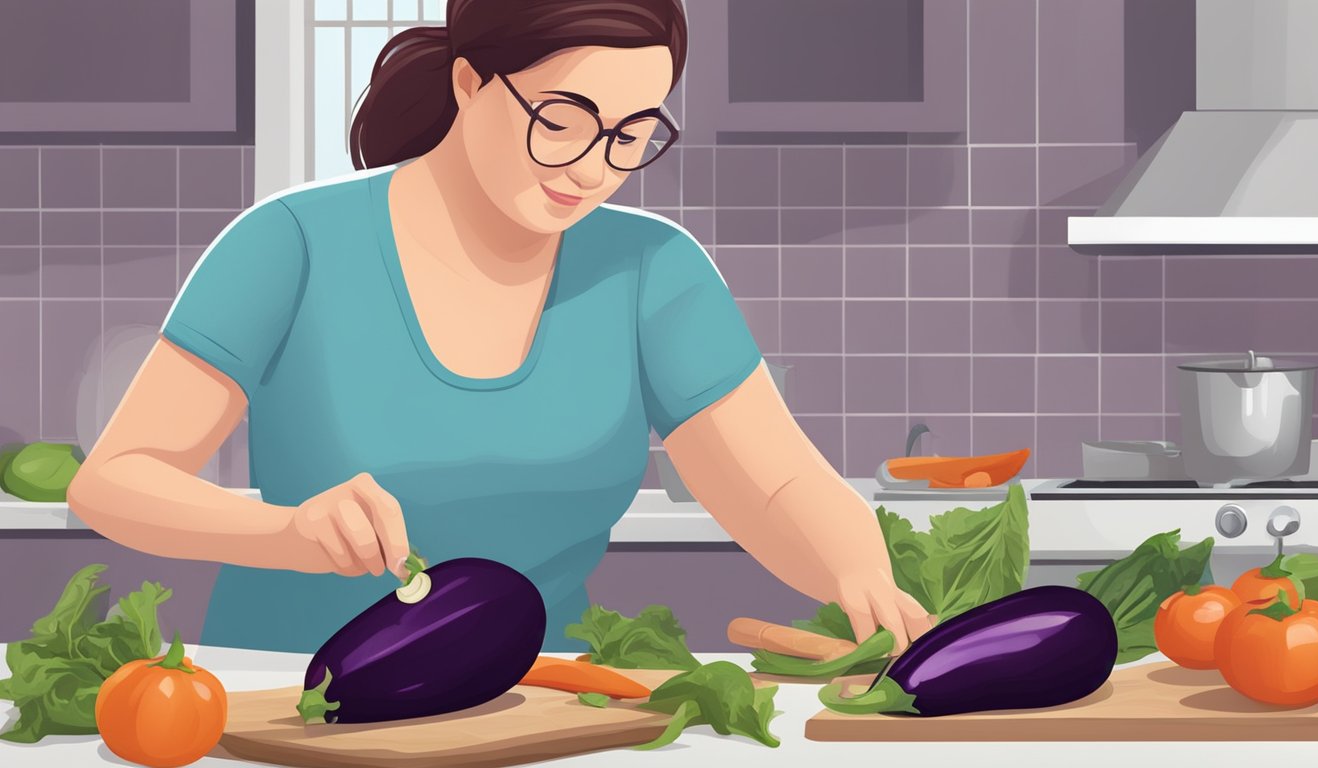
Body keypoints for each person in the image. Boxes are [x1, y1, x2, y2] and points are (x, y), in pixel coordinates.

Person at [67, 0, 935, 654]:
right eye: (562, 121)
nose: (594, 169)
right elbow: (114, 481)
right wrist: (284, 535)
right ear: (469, 83)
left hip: (534, 705)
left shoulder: (651, 272)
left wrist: (857, 567)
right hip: (288, 701)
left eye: (632, 135)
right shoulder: (290, 244)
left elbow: (776, 484)